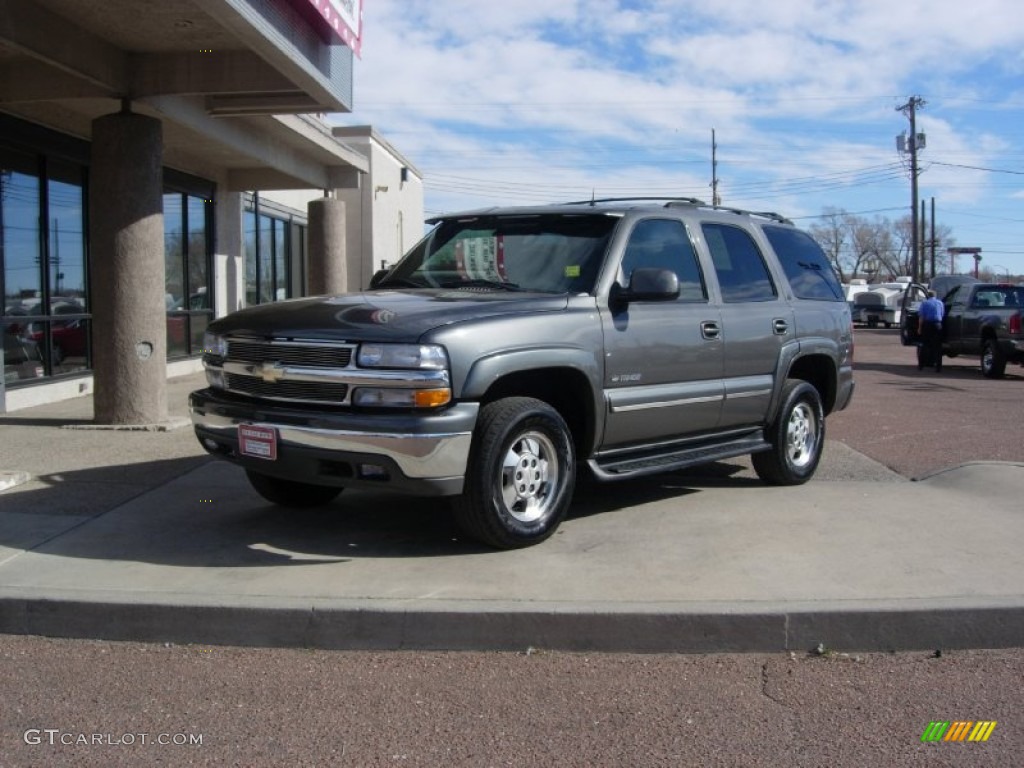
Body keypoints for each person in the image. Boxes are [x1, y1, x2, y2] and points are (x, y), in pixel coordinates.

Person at [917, 289, 945, 372]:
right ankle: (938, 367)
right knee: (938, 346)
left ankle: (921, 365)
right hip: (937, 324)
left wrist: (919, 328)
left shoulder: (924, 303)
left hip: (928, 324)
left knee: (925, 345)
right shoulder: (940, 303)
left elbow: (921, 317)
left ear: (928, 296)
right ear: (935, 296)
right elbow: (942, 314)